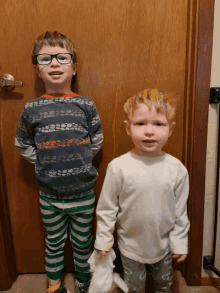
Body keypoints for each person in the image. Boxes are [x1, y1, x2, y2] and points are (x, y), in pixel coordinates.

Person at [15, 31, 103, 293]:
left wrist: (82, 159)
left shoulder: (85, 105)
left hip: (84, 193)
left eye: (62, 58)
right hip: (50, 195)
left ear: (74, 67)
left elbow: (96, 139)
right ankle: (53, 284)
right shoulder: (31, 108)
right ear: (37, 69)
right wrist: (42, 162)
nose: (54, 64)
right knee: (53, 242)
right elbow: (22, 143)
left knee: (82, 242)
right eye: (46, 59)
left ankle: (84, 280)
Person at [94, 88, 190, 293]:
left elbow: (180, 211)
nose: (149, 131)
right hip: (130, 247)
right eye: (140, 123)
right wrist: (104, 239)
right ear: (128, 128)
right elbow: (107, 208)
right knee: (134, 287)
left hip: (163, 247)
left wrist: (180, 242)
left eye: (158, 124)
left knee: (164, 285)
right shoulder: (118, 167)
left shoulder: (176, 169)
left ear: (170, 129)